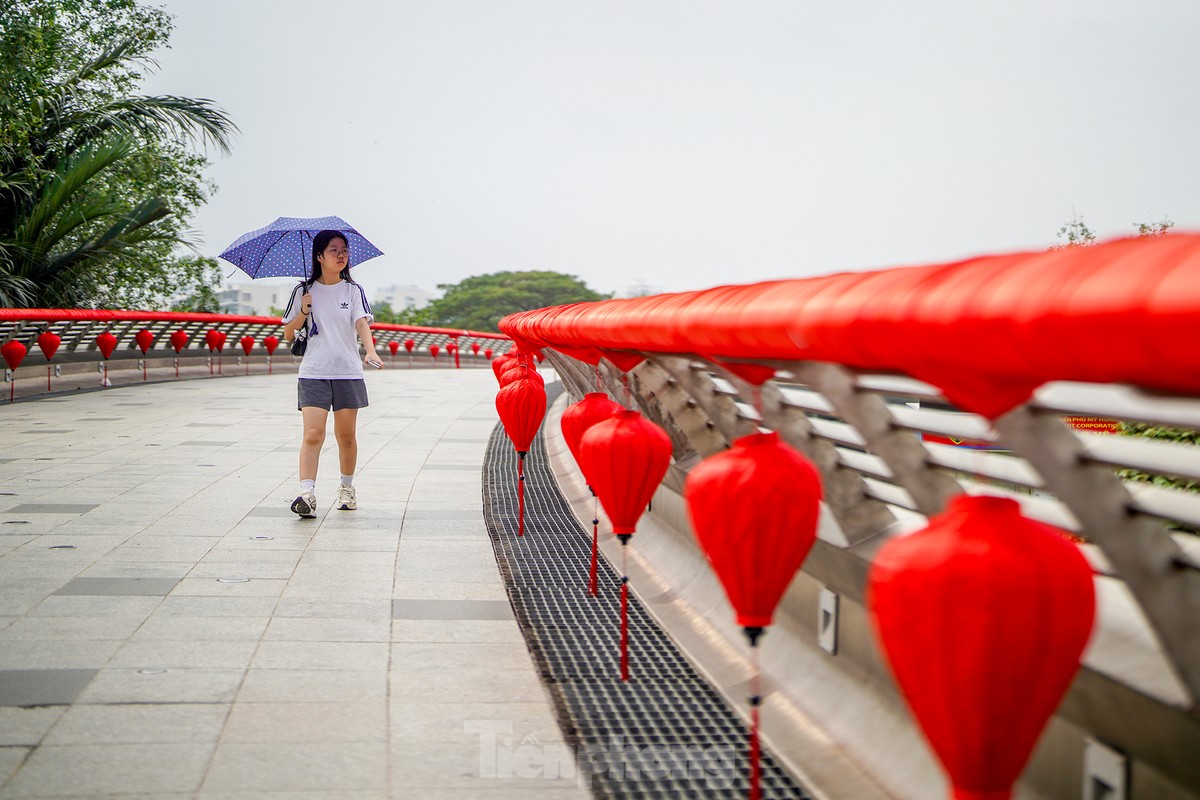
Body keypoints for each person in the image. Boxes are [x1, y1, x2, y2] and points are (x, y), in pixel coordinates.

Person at [281, 230, 383, 517]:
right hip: (313, 371)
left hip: (348, 371)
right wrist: (303, 310)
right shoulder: (303, 290)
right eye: (334, 250)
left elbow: (362, 323)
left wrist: (371, 351)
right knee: (313, 434)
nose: (341, 255)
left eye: (344, 250)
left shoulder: (353, 290)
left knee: (346, 436)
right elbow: (289, 333)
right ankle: (307, 493)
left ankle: (346, 488)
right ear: (319, 256)